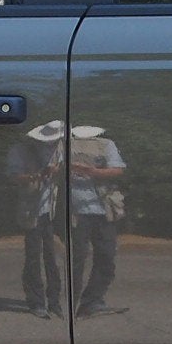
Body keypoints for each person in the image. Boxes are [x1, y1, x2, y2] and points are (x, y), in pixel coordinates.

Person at [65, 123, 126, 318]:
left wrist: (91, 171)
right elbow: (52, 170)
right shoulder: (62, 146)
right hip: (73, 211)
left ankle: (91, 302)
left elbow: (117, 170)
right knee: (75, 260)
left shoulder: (106, 145)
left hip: (102, 210)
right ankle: (69, 305)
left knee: (106, 258)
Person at [8, 122, 66, 318]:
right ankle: (36, 301)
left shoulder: (60, 148)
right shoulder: (20, 151)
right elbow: (14, 177)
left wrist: (56, 170)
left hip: (50, 208)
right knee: (33, 257)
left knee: (52, 257)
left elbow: (62, 169)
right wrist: (36, 175)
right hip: (31, 209)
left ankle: (54, 301)